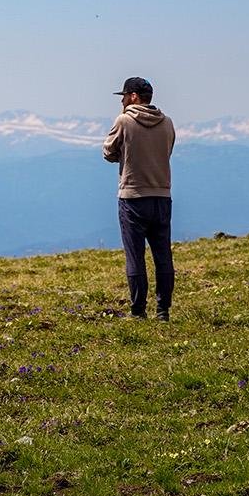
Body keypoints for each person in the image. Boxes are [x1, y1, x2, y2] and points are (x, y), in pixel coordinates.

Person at [103, 77, 175, 320]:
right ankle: (163, 310)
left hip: (133, 196)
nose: (122, 101)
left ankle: (138, 311)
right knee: (163, 255)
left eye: (123, 96)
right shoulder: (167, 123)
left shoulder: (124, 121)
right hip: (162, 195)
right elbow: (168, 150)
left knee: (135, 255)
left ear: (133, 96)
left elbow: (108, 151)